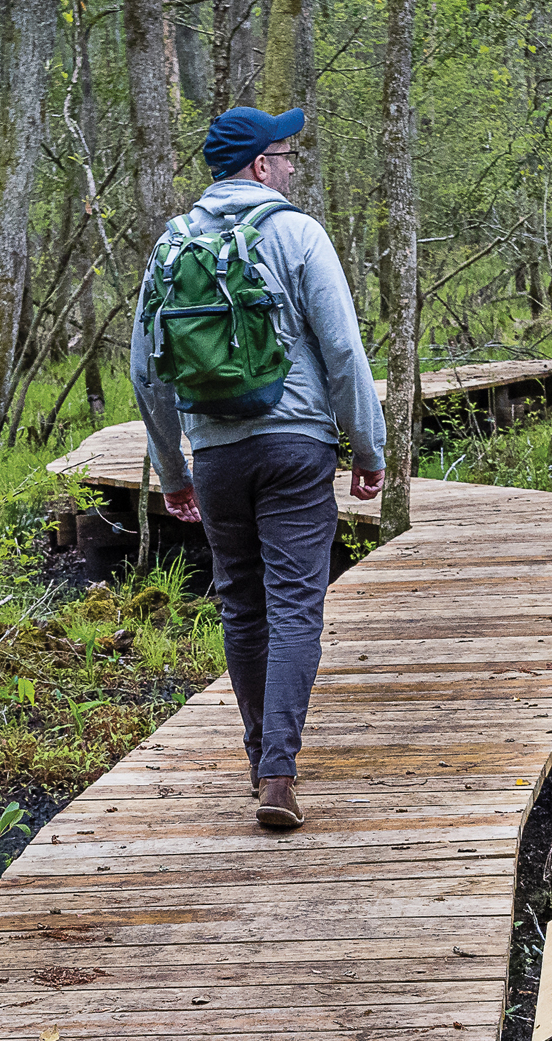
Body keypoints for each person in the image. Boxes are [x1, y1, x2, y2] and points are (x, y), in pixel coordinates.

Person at [130, 106, 387, 830]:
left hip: (216, 454)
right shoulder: (297, 234)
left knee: (242, 605)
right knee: (296, 605)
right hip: (296, 448)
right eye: (286, 152)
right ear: (259, 166)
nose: (294, 164)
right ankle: (278, 771)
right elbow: (343, 353)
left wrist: (172, 468)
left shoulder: (171, 246)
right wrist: (368, 449)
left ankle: (257, 759)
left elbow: (145, 372)